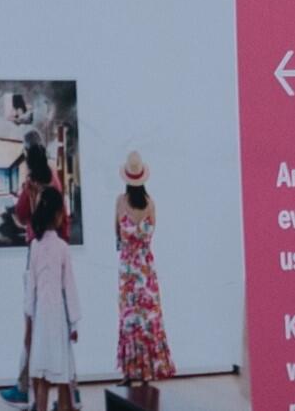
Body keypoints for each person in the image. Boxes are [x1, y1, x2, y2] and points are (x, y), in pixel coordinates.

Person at [11, 139, 77, 403]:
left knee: (41, 374)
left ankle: (23, 388)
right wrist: (74, 320)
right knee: (61, 367)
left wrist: (29, 314)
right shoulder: (55, 183)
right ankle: (70, 396)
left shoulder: (37, 247)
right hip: (59, 319)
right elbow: (69, 287)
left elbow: (20, 211)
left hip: (40, 323)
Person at [107, 153, 171, 404]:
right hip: (145, 269)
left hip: (128, 269)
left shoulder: (120, 202)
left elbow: (117, 233)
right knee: (146, 321)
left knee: (129, 320)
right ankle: (145, 373)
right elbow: (151, 233)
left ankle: (128, 372)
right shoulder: (150, 203)